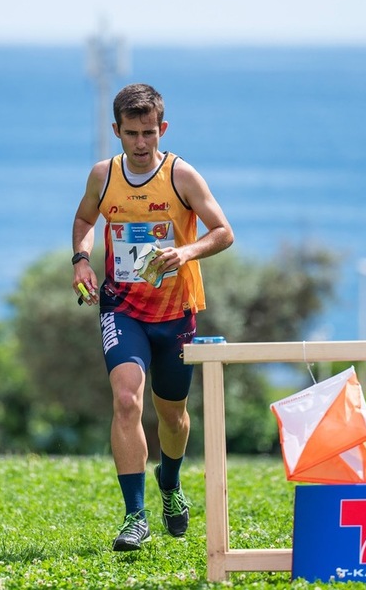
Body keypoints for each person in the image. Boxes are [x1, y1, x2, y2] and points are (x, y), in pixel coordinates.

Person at [71, 83, 234, 551]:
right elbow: (84, 221)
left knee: (174, 418)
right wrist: (81, 259)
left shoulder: (182, 175)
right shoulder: (103, 176)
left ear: (162, 128)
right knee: (126, 401)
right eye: (131, 134)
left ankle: (171, 481)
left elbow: (223, 232)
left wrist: (185, 252)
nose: (141, 144)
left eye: (149, 133)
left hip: (175, 312)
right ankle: (134, 516)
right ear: (116, 132)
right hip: (121, 308)